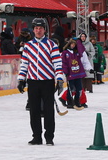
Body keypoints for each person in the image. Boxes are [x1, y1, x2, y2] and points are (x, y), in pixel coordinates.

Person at [17, 18, 64, 146]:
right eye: (36, 28)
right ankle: (36, 136)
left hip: (47, 81)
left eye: (41, 28)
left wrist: (59, 79)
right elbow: (24, 64)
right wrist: (21, 79)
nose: (38, 31)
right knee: (34, 110)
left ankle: (49, 137)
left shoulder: (51, 45)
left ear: (45, 30)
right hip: (33, 81)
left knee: (49, 110)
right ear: (33, 30)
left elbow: (57, 63)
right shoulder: (28, 46)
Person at [60, 38, 86, 109]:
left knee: (79, 89)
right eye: (72, 44)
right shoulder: (65, 53)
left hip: (78, 73)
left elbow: (82, 50)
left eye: (74, 44)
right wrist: (65, 71)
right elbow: (64, 63)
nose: (73, 46)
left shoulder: (77, 52)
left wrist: (79, 42)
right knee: (71, 89)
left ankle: (77, 102)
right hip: (70, 74)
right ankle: (70, 102)